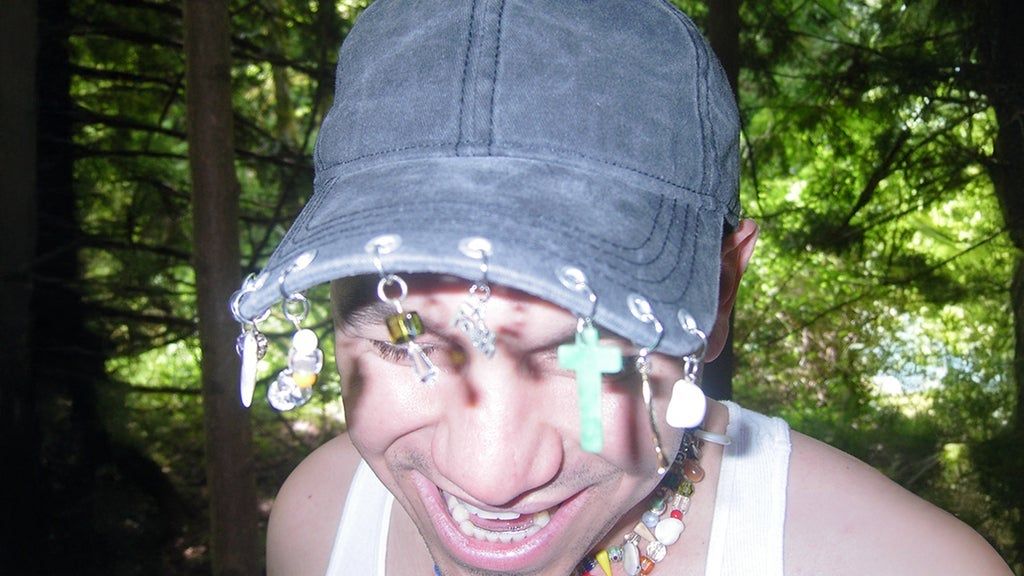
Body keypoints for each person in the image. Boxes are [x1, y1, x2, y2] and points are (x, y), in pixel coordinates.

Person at [228, 1, 1014, 574]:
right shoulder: (317, 525)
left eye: (594, 347)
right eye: (406, 337)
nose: (490, 478)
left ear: (718, 296)